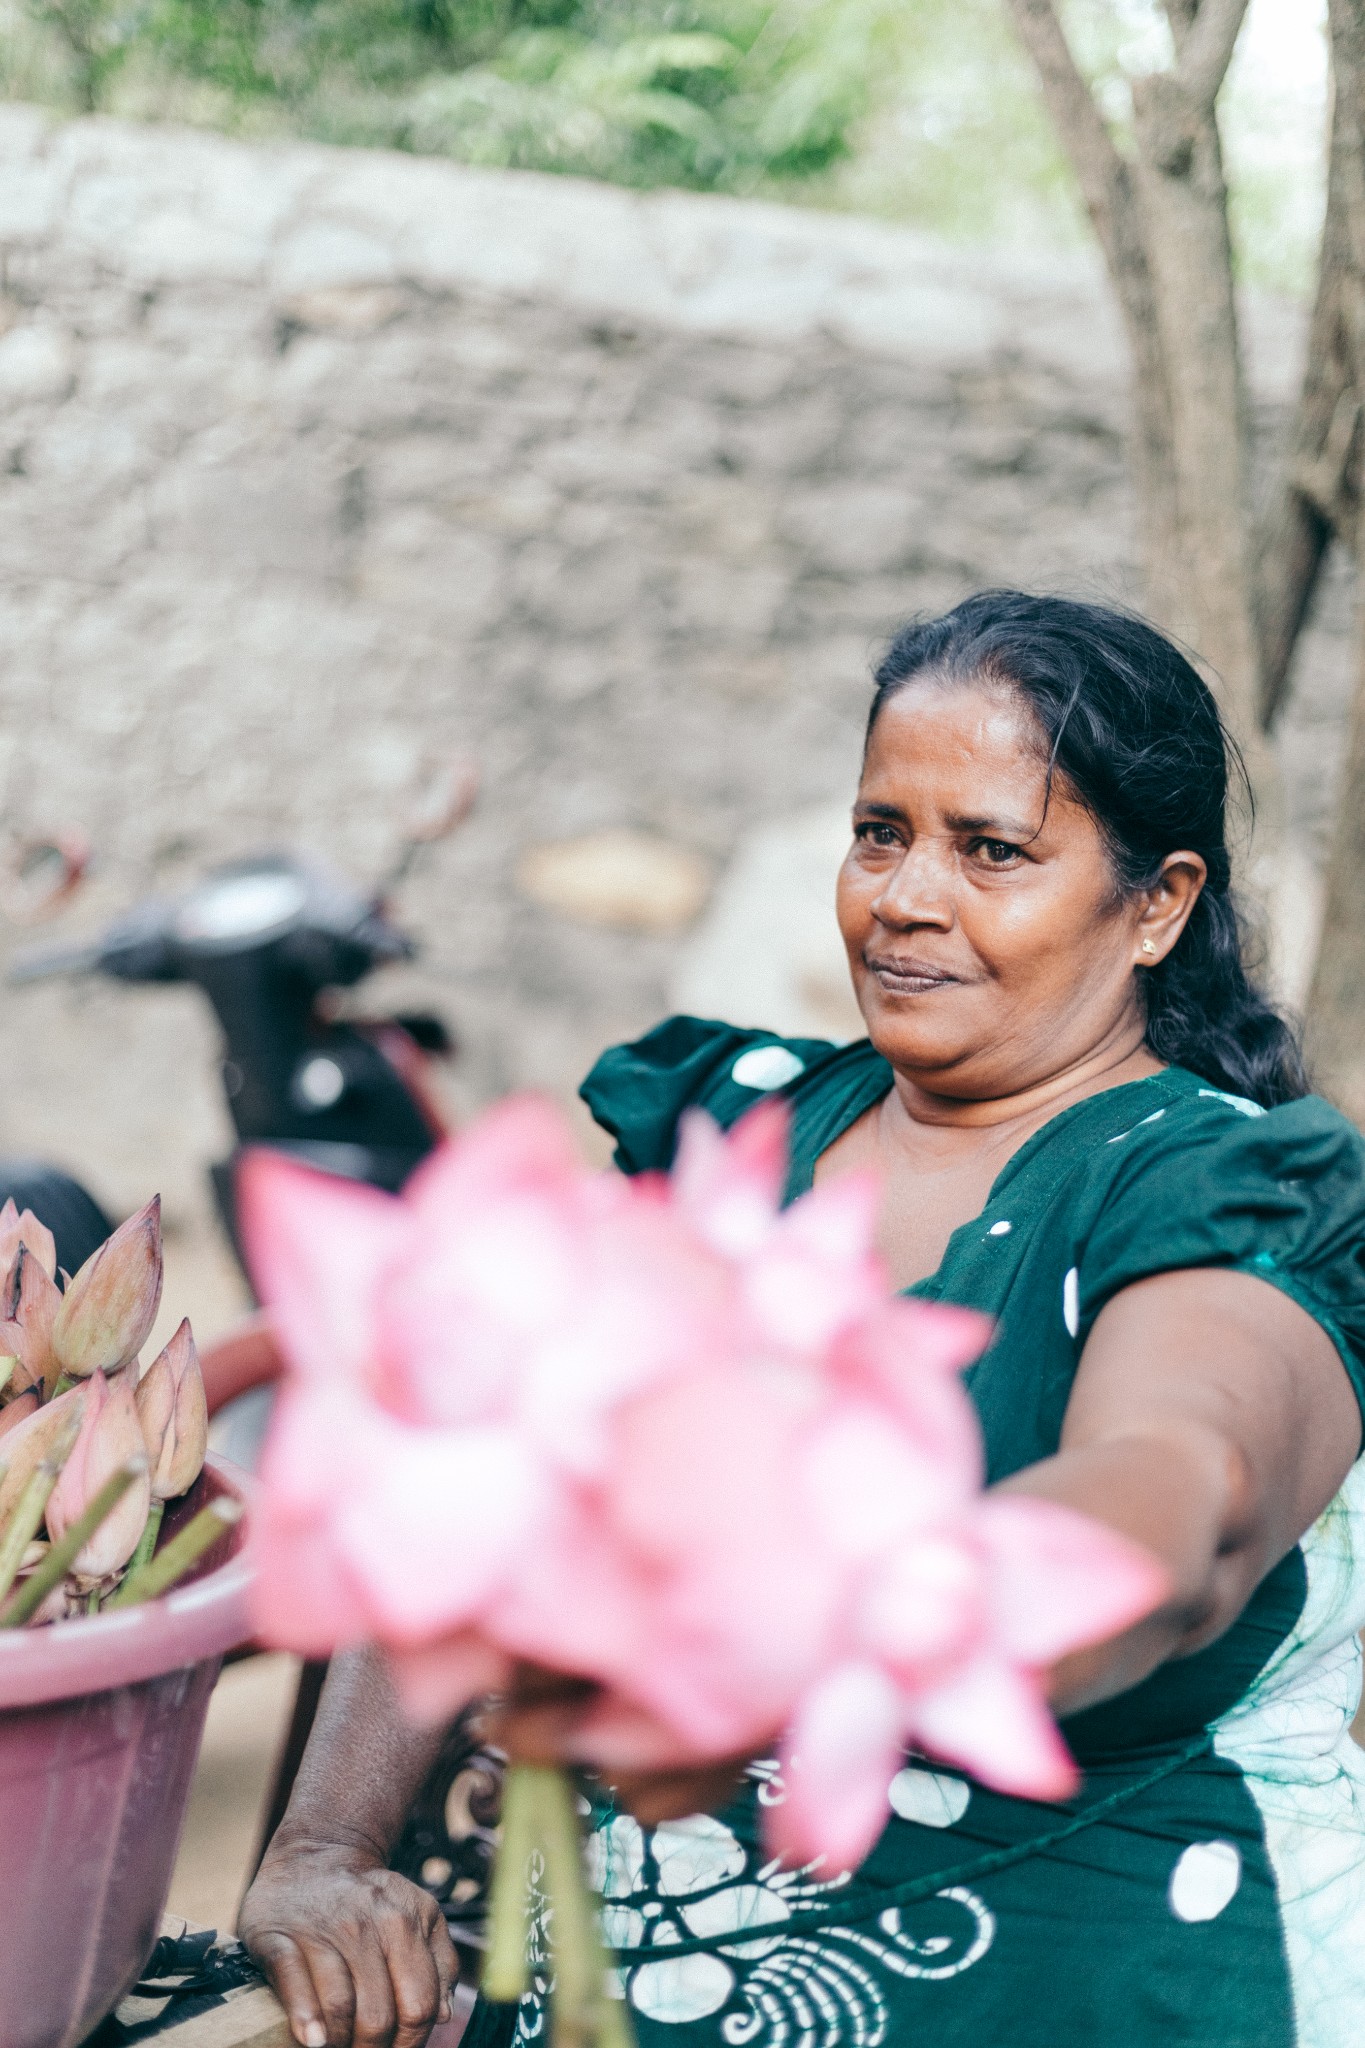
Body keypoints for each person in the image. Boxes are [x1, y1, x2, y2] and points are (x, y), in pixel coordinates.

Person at [240, 591, 1365, 2048]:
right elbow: (478, 1463)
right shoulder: (726, 1121)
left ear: (1154, 903)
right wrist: (324, 1851)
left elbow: (1179, 1502)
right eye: (879, 831)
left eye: (991, 850)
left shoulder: (1214, 1181)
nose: (900, 897)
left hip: (1106, 1988)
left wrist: (812, 1620)